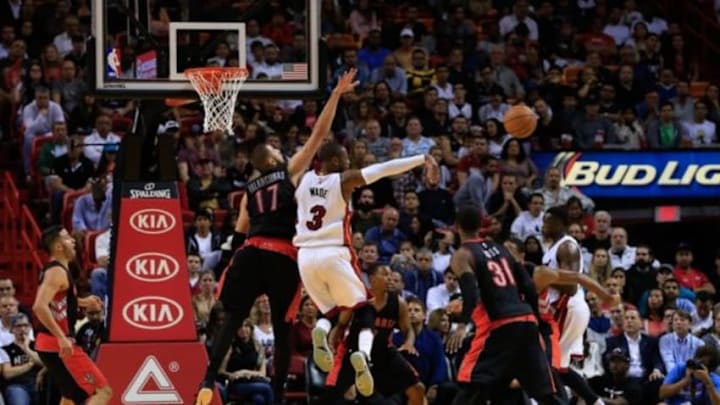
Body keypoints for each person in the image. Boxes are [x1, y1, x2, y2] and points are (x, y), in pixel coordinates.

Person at [196, 69, 361, 405]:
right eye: (275, 149)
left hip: (249, 253)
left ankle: (207, 378)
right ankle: (279, 395)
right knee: (284, 330)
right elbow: (319, 134)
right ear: (272, 159)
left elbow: (238, 233)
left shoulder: (246, 191)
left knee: (232, 319)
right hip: (281, 255)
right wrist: (335, 95)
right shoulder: (287, 171)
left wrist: (230, 270)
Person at [293, 139, 438, 397]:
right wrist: (420, 159)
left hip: (304, 257)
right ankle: (363, 353)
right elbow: (381, 170)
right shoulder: (342, 180)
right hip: (332, 252)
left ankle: (322, 331)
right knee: (363, 307)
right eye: (346, 158)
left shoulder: (303, 181)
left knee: (333, 311)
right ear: (335, 161)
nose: (349, 162)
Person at [449, 206, 565, 404]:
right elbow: (527, 284)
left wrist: (462, 325)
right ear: (481, 225)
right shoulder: (500, 248)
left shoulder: (462, 255)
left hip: (500, 324)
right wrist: (536, 318)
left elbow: (470, 292)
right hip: (526, 320)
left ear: (456, 227)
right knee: (544, 395)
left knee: (471, 384)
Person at [319, 264, 425, 404]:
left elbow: (408, 329)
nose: (390, 278)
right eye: (385, 274)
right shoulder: (357, 301)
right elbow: (340, 326)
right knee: (331, 396)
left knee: (417, 388)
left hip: (384, 353)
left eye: (391, 275)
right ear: (372, 279)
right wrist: (331, 343)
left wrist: (409, 343)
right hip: (353, 353)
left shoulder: (399, 303)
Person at [32, 225, 111, 405]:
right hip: (58, 345)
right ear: (59, 247)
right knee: (101, 392)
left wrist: (83, 302)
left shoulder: (58, 270)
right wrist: (61, 337)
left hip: (50, 345)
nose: (73, 241)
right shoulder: (56, 272)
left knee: (69, 398)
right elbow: (39, 306)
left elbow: (57, 301)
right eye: (67, 238)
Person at [540, 206, 603, 405]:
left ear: (561, 223)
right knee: (562, 367)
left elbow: (571, 286)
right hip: (565, 308)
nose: (543, 225)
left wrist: (540, 278)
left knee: (550, 365)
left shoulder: (567, 246)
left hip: (568, 306)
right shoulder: (555, 246)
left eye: (548, 221)